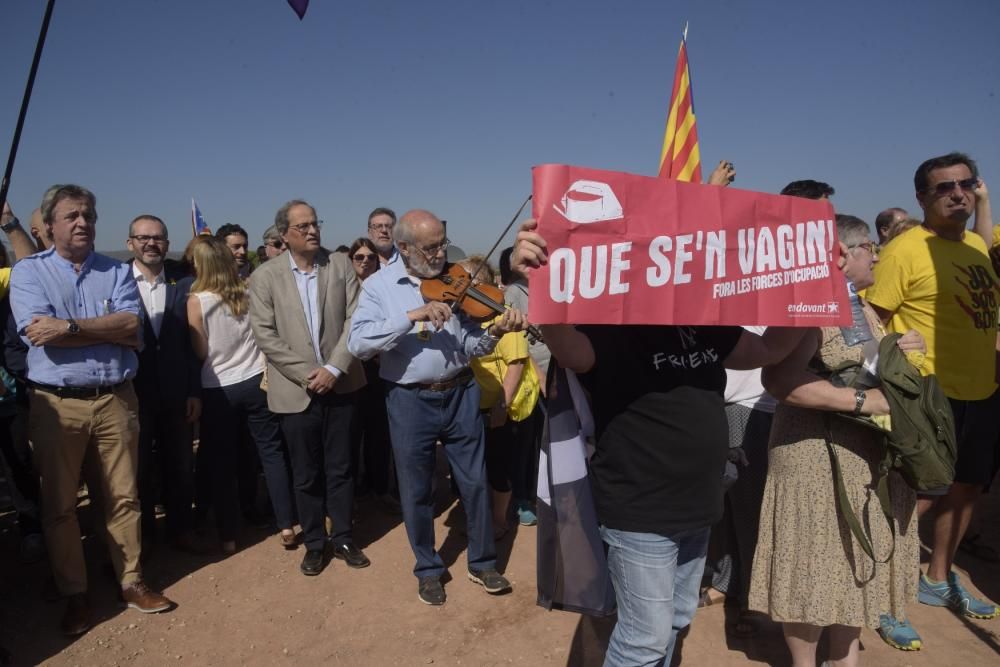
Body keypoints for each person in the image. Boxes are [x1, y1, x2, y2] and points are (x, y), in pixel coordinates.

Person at [512, 216, 802, 666]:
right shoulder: (610, 320)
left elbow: (766, 351)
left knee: (676, 617)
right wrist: (541, 280)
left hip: (700, 502)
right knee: (643, 638)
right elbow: (570, 351)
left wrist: (812, 291)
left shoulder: (700, 317)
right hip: (641, 509)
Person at [748, 215, 922, 666]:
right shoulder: (806, 306)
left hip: (862, 459)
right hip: (813, 460)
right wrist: (867, 401)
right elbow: (782, 380)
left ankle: (843, 660)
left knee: (851, 565)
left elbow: (858, 364)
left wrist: (898, 353)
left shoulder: (863, 307)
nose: (878, 254)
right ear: (841, 255)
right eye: (868, 245)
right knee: (810, 567)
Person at [10, 184, 173, 636]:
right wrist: (103, 331)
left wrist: (70, 326)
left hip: (116, 398)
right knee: (61, 506)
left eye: (88, 215)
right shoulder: (28, 273)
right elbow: (37, 334)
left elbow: (131, 325)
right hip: (57, 406)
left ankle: (131, 580)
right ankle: (74, 593)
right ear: (49, 225)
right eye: (72, 216)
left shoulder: (115, 271)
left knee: (124, 496)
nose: (83, 223)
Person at [348, 209, 525, 605]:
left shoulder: (455, 282)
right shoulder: (379, 286)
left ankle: (483, 563)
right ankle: (428, 569)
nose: (441, 253)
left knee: (475, 482)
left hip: (461, 392)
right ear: (404, 247)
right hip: (409, 399)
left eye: (443, 243)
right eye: (431, 247)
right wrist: (412, 315)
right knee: (416, 489)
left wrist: (493, 333)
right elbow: (358, 344)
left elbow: (468, 347)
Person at [865, 153, 1000, 649]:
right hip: (928, 396)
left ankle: (937, 579)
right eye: (945, 187)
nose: (958, 193)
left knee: (966, 490)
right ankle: (880, 595)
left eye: (966, 184)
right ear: (923, 198)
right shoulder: (905, 250)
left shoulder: (975, 247)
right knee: (910, 502)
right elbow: (872, 320)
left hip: (982, 389)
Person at [249, 200, 369, 577]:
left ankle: (345, 535)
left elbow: (356, 319)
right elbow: (266, 335)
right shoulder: (265, 277)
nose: (313, 230)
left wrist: (334, 367)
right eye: (303, 226)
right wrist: (310, 374)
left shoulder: (339, 266)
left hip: (342, 384)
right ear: (284, 234)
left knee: (342, 467)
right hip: (296, 392)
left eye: (315, 223)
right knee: (305, 473)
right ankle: (315, 542)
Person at [186, 236, 297, 554]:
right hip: (255, 382)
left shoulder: (197, 300)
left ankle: (228, 536)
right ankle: (286, 523)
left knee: (221, 463)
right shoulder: (247, 291)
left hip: (217, 388)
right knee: (271, 453)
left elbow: (200, 349)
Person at [126, 215, 202, 553]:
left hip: (176, 392)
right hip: (133, 395)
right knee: (137, 471)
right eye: (143, 238)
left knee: (180, 466)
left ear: (167, 244)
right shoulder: (116, 281)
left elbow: (193, 342)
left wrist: (193, 391)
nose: (150, 243)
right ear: (131, 243)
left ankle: (181, 529)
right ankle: (143, 537)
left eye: (157, 238)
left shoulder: (184, 281)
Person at [462, 256, 540, 539]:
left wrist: (501, 405)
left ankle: (498, 519)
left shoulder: (504, 315)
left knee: (500, 464)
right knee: (477, 466)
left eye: (468, 285)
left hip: (507, 404)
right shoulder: (462, 316)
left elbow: (516, 365)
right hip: (473, 405)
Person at [497, 246, 548, 526]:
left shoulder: (548, 288)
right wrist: (539, 374)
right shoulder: (513, 294)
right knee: (524, 444)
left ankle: (536, 492)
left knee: (544, 440)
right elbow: (515, 343)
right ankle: (520, 498)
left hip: (554, 373)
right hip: (530, 379)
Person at [347, 237, 397, 509]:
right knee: (352, 433)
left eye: (370, 257)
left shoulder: (384, 288)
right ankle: (353, 491)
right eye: (359, 257)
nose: (365, 261)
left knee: (379, 432)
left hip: (379, 368)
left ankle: (381, 488)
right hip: (352, 367)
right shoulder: (342, 288)